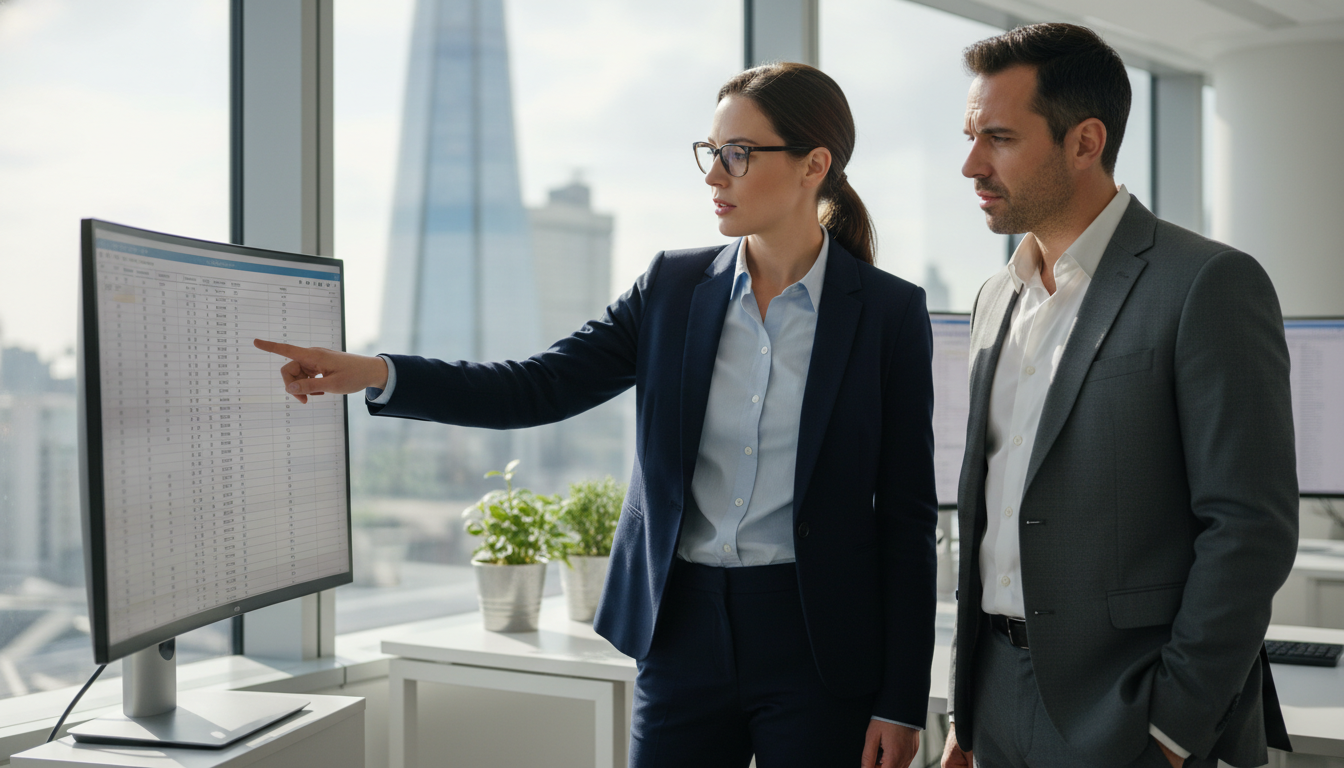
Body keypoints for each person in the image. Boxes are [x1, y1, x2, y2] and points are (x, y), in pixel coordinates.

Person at [256, 62, 938, 768]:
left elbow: (908, 516)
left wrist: (900, 698)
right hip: (681, 631)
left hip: (819, 642)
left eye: (738, 154)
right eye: (711, 153)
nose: (714, 176)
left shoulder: (886, 314)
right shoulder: (674, 288)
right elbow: (537, 386)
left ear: (813, 165)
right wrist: (380, 372)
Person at [939, 23, 1298, 768]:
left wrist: (1172, 730)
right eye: (971, 135)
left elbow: (1248, 527)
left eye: (998, 138)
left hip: (1126, 705)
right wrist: (962, 711)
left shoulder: (1206, 284)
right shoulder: (991, 299)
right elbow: (989, 511)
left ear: (1085, 141)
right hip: (992, 699)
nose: (971, 163)